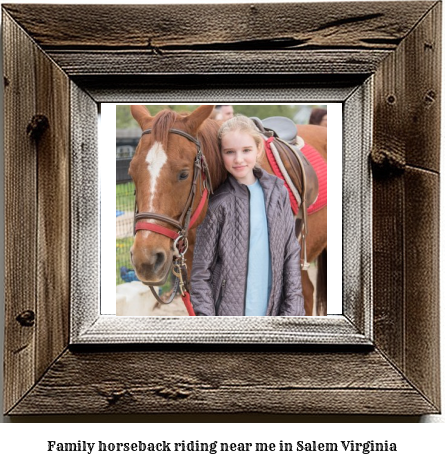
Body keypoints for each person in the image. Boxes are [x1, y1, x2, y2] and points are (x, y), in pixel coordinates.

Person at [190, 115, 304, 316]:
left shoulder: (278, 192)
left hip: (273, 313)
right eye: (229, 152)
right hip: (229, 319)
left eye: (246, 150)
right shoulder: (217, 205)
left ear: (258, 149)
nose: (238, 159)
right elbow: (200, 273)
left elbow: (291, 253)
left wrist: (293, 309)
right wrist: (207, 322)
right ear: (221, 154)